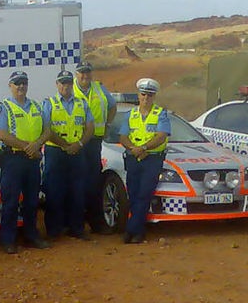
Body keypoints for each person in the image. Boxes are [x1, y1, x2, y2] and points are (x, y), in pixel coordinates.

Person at [0, 71, 52, 254]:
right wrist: (28, 147)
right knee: (10, 201)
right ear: (10, 86)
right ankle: (8, 240)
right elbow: (2, 134)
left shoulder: (36, 106)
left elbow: (47, 130)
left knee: (32, 200)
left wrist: (38, 145)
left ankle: (31, 236)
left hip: (32, 160)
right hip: (13, 159)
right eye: (17, 83)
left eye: (24, 83)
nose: (21, 86)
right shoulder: (4, 107)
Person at [42, 70, 94, 240]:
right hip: (55, 152)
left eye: (68, 83)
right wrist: (65, 145)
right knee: (54, 191)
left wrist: (78, 145)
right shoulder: (49, 103)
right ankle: (54, 230)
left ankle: (76, 228)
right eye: (62, 83)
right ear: (57, 85)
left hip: (77, 152)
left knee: (77, 191)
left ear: (72, 84)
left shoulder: (82, 103)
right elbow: (46, 130)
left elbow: (90, 127)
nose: (66, 86)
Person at [118, 78, 170, 244]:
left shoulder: (161, 114)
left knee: (144, 195)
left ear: (154, 96)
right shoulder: (130, 115)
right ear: (138, 95)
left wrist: (144, 148)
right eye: (143, 95)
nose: (146, 98)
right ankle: (138, 232)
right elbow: (123, 136)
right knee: (133, 195)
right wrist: (134, 149)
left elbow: (161, 136)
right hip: (134, 158)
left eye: (149, 95)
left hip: (152, 159)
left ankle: (130, 230)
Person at [73, 61, 117, 233]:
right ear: (76, 74)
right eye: (82, 73)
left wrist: (108, 125)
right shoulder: (71, 89)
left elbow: (112, 106)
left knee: (93, 184)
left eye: (88, 73)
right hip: (76, 143)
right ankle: (75, 225)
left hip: (94, 142)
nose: (85, 76)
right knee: (76, 184)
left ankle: (95, 223)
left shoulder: (99, 88)